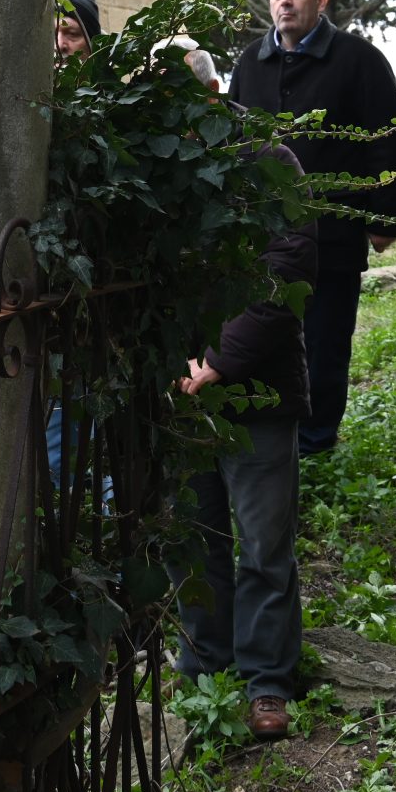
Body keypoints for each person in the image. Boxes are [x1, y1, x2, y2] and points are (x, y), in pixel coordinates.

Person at [171, 47, 319, 743]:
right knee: (194, 537)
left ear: (213, 93)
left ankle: (266, 680)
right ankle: (203, 670)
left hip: (255, 387)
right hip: (178, 385)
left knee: (263, 540)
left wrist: (217, 361)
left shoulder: (269, 160)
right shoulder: (156, 162)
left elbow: (284, 272)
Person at [226, 0, 396, 457]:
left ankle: (317, 442)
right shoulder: (250, 63)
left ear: (321, 0)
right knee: (262, 334)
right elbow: (227, 142)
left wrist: (385, 218)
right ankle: (269, 433)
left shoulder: (360, 61)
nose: (285, 1)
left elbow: (387, 140)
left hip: (333, 234)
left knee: (326, 343)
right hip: (259, 240)